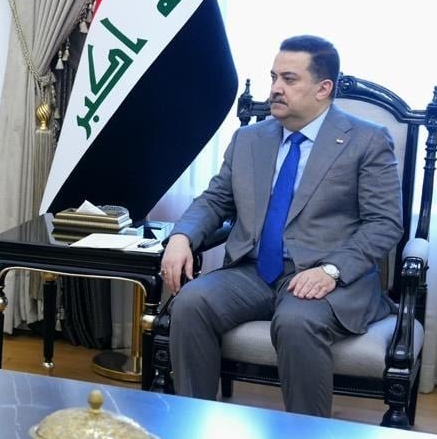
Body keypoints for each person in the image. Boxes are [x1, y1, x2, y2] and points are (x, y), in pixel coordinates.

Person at [160, 35, 402, 417]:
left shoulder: (366, 140)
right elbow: (215, 200)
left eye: (289, 79)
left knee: (296, 321)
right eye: (273, 77)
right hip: (253, 272)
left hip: (326, 275)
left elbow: (384, 223)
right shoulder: (249, 139)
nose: (275, 88)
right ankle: (194, 422)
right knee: (190, 303)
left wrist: (332, 270)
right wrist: (181, 236)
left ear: (323, 88)